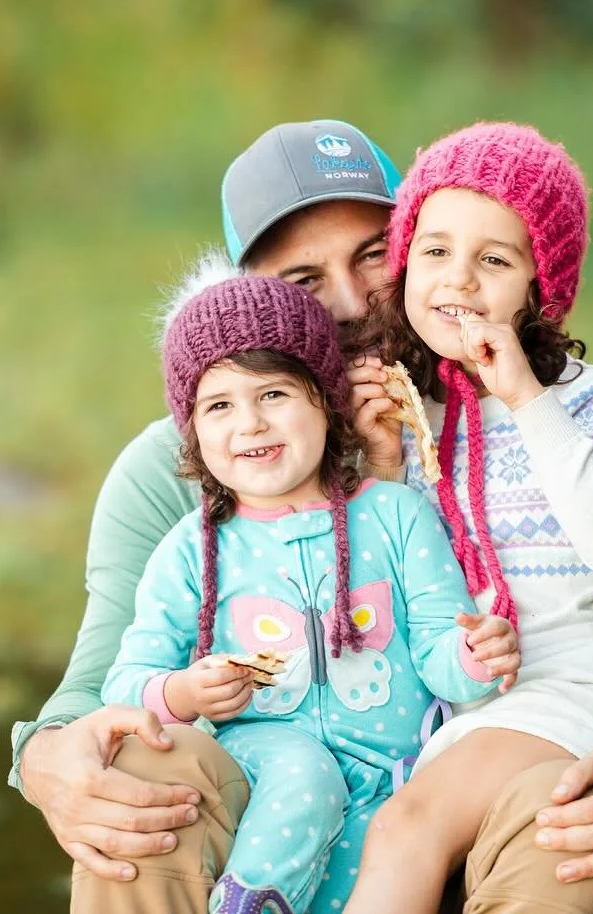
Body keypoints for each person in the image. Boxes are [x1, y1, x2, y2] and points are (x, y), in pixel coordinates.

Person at [9, 119, 593, 913]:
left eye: (372, 255)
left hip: (494, 773)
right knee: (141, 770)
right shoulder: (185, 462)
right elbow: (101, 675)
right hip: (279, 810)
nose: (353, 303)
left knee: (566, 827)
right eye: (306, 279)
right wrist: (48, 760)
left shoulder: (545, 408)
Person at [101, 272, 519, 913]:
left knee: (377, 865)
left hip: (391, 776)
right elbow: (126, 682)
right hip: (261, 764)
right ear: (191, 431)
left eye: (274, 393)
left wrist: (476, 657)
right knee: (307, 773)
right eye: (219, 406)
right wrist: (183, 693)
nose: (250, 423)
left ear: (325, 400)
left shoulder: (396, 516)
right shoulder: (192, 550)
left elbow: (441, 649)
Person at [340, 121, 593, 913]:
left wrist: (527, 398)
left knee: (407, 829)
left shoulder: (590, 398)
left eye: (494, 259)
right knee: (407, 833)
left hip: (568, 694)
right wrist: (382, 467)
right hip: (463, 703)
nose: (459, 280)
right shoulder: (409, 413)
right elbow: (389, 597)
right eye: (435, 250)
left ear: (540, 288)